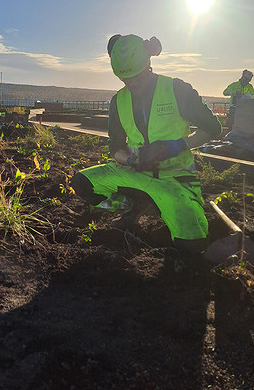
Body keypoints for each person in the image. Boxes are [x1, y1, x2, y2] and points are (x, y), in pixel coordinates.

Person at [72, 33, 222, 259]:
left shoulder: (176, 90)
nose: (131, 84)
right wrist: (132, 160)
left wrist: (178, 145)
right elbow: (115, 148)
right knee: (83, 183)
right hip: (137, 175)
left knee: (191, 245)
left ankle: (163, 206)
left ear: (148, 64)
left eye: (136, 78)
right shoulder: (118, 101)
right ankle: (138, 207)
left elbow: (212, 128)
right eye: (124, 80)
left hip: (175, 179)